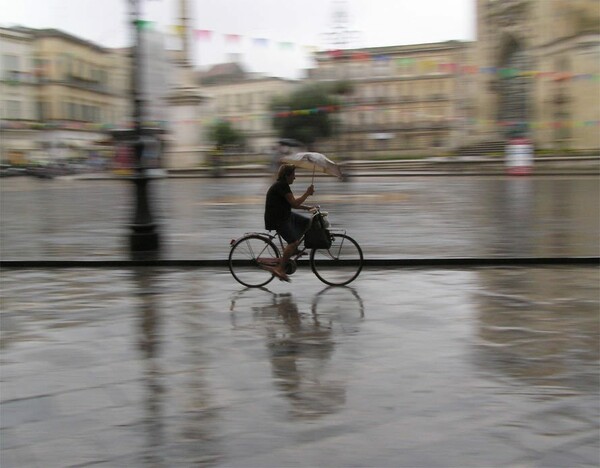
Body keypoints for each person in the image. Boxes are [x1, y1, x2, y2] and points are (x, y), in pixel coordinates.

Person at [264, 164, 315, 282]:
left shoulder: (284, 185)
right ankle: (280, 269)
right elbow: (294, 204)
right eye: (293, 175)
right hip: (277, 219)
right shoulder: (281, 186)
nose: (295, 178)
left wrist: (308, 208)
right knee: (293, 242)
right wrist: (307, 193)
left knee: (307, 222)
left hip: (285, 215)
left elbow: (292, 204)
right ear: (287, 176)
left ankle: (293, 248)